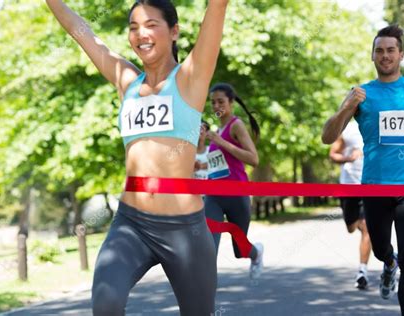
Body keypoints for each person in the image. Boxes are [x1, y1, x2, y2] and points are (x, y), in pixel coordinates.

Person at [46, 0, 230, 315]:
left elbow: (217, 8)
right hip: (132, 224)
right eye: (133, 28)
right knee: (106, 304)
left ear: (174, 31)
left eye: (150, 25)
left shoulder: (191, 78)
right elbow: (81, 31)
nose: (140, 34)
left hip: (186, 228)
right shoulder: (127, 81)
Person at [322, 25, 404, 315]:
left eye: (391, 50)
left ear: (401, 54)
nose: (385, 56)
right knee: (382, 247)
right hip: (374, 186)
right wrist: (347, 107)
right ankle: (388, 263)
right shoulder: (362, 94)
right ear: (373, 55)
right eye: (379, 51)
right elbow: (327, 137)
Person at [204, 83, 264, 278]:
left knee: (241, 251)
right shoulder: (216, 131)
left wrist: (222, 143)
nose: (216, 106)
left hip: (237, 194)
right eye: (213, 103)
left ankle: (256, 253)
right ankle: (203, 296)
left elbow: (253, 159)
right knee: (208, 247)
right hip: (214, 196)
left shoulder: (236, 125)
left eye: (221, 101)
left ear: (231, 102)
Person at [329, 120, 372, 289]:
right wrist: (348, 157)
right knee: (351, 227)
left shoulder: (377, 126)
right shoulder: (347, 129)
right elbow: (333, 154)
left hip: (369, 185)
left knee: (367, 227)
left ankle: (362, 271)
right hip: (348, 186)